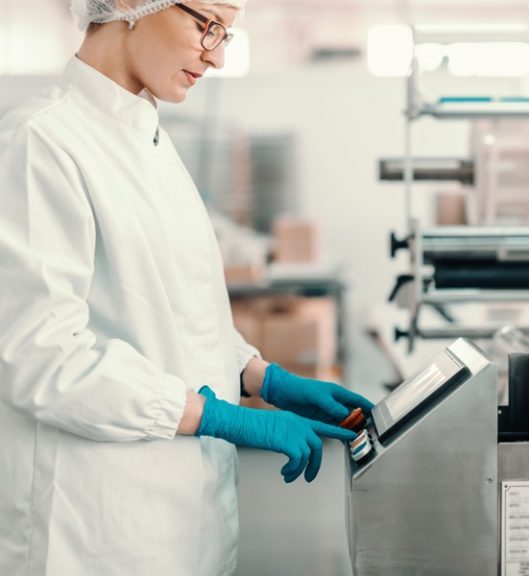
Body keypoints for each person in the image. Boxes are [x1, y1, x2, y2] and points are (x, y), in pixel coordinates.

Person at [0, 1, 374, 574]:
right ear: (128, 4)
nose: (218, 57)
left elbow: (172, 312)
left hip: (187, 520)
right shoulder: (41, 143)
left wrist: (261, 376)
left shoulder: (149, 140)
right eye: (207, 26)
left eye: (227, 35)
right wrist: (223, 418)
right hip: (94, 533)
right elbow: (41, 358)